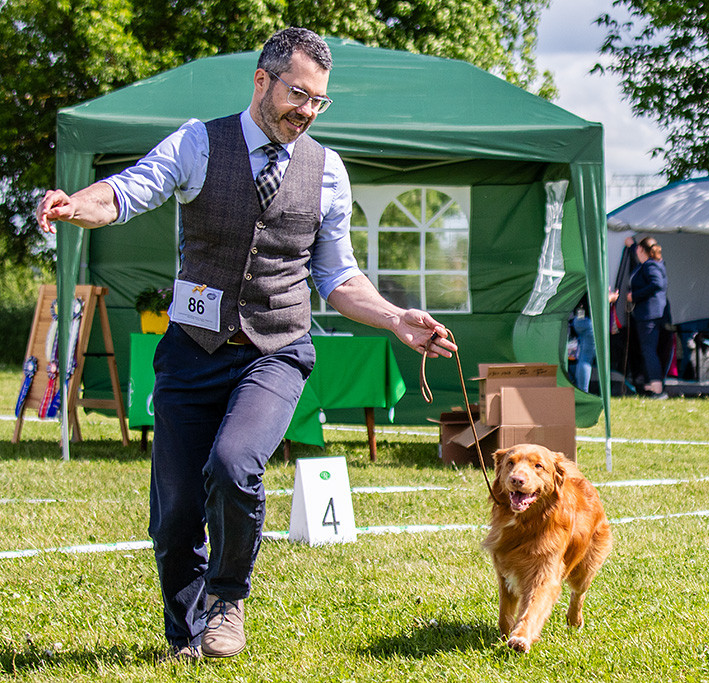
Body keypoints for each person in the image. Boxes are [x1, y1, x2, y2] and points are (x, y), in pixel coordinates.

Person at [35, 27, 456, 662]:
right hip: (192, 347)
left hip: (276, 349)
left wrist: (395, 317)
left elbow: (337, 276)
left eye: (319, 101)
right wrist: (77, 205)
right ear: (261, 81)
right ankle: (188, 630)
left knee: (234, 465)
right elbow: (127, 191)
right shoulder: (198, 142)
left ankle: (226, 600)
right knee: (174, 512)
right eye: (297, 95)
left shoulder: (327, 172)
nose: (307, 111)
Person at [625, 235, 669, 398]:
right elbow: (640, 266)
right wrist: (632, 247)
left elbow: (656, 283)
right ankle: (653, 384)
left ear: (641, 250)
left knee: (649, 350)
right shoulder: (651, 263)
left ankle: (657, 388)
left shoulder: (650, 265)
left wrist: (634, 296)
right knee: (648, 349)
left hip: (649, 314)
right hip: (652, 313)